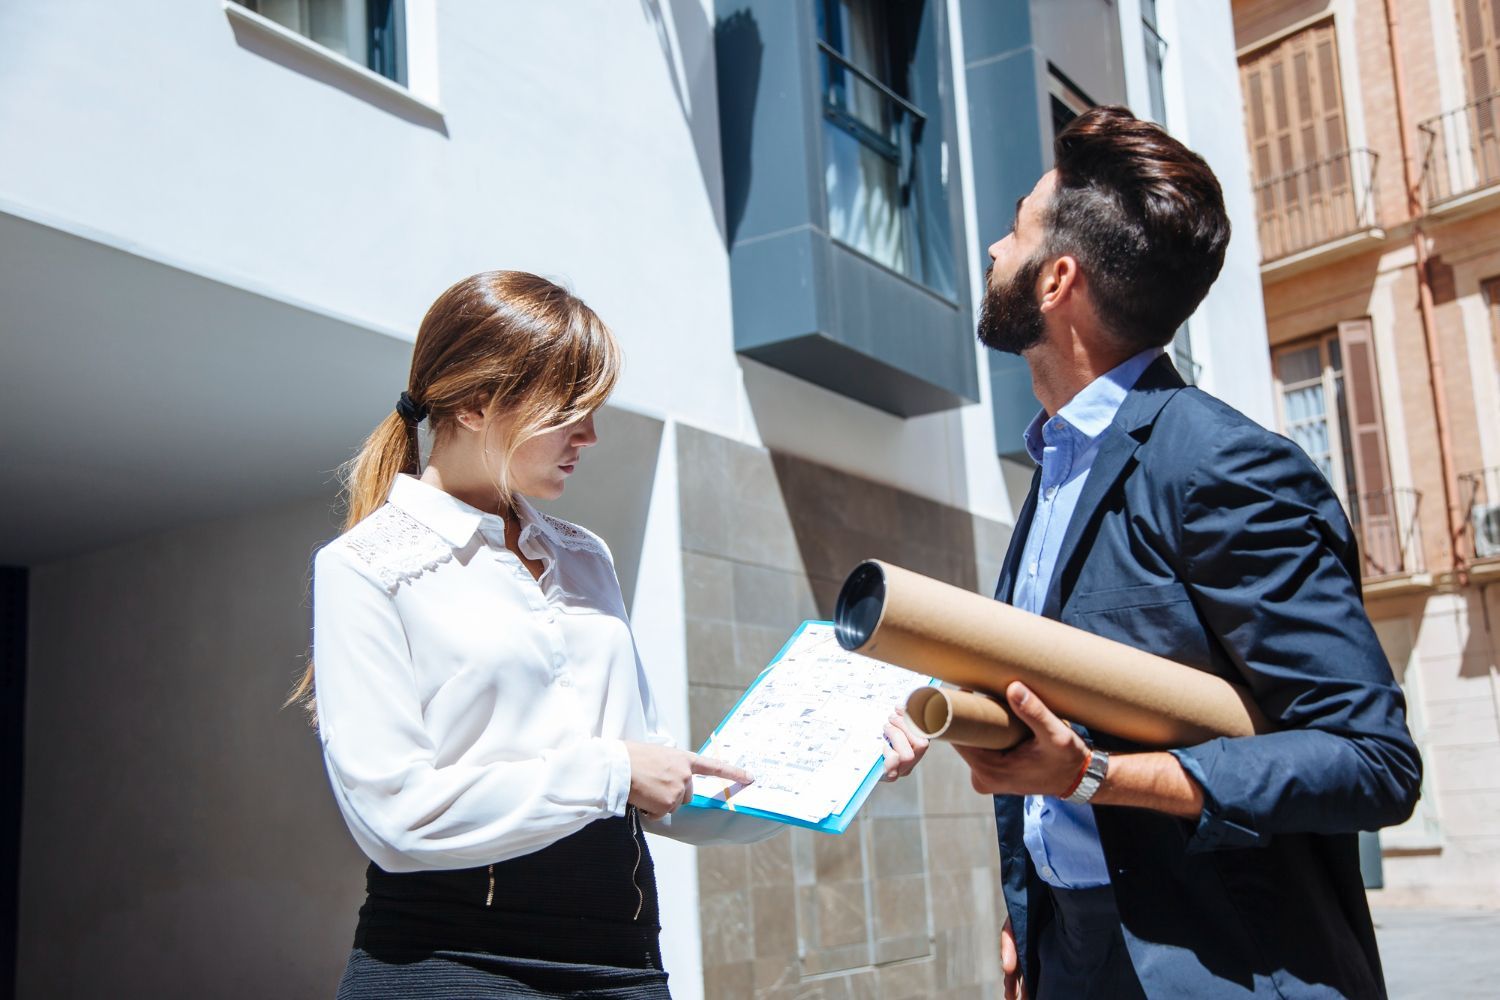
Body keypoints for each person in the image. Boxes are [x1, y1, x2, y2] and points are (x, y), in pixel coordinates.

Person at [295, 270, 925, 999]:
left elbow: (658, 783)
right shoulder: (366, 568)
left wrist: (840, 767)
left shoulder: (584, 555)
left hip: (622, 959)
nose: (591, 436)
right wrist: (613, 773)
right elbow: (394, 817)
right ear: (474, 402)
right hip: (448, 964)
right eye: (570, 411)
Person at [955, 108, 1421, 999]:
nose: (990, 251)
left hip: (1219, 966)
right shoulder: (1055, 466)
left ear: (1057, 280)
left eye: (1012, 233)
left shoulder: (1220, 464)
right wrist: (1038, 917)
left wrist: (1099, 776)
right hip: (1077, 954)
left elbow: (1374, 760)